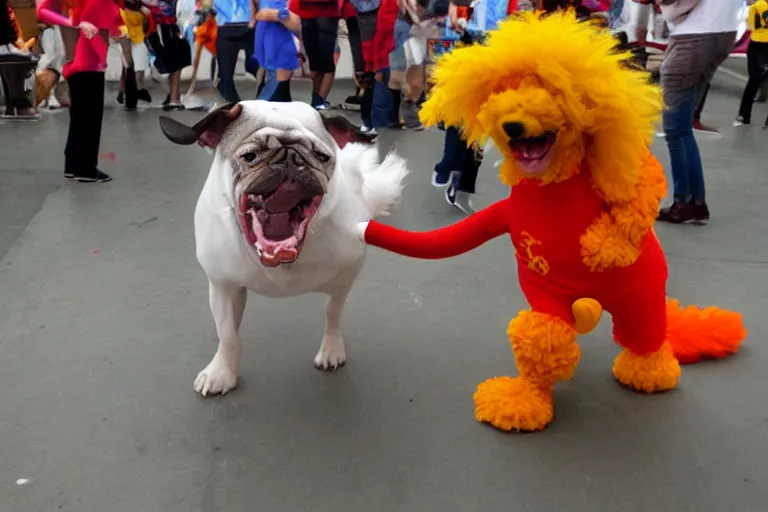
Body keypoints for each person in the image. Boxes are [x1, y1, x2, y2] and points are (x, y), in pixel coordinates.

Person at [656, 0, 742, 225]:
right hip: (723, 32)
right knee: (682, 128)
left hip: (693, 35)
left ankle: (685, 202)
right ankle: (695, 203)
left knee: (676, 129)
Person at [37, 0, 121, 183]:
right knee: (89, 115)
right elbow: (42, 11)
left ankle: (74, 164)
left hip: (86, 59)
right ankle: (85, 168)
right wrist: (76, 23)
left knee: (81, 115)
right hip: (85, 59)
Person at [289, 0, 341, 110]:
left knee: (317, 62)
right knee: (325, 62)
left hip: (307, 11)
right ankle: (318, 100)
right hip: (326, 12)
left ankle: (317, 99)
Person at [146, 0, 191, 110]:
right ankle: (174, 98)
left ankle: (173, 96)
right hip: (160, 26)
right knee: (174, 62)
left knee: (177, 59)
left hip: (168, 25)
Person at [253, 0, 301, 101]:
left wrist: (277, 14)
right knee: (268, 100)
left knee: (273, 100)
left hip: (280, 50)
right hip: (267, 47)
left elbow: (297, 23)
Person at [213, 0, 259, 103]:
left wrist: (254, 14)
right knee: (225, 75)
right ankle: (233, 103)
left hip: (248, 25)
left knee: (255, 65)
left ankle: (264, 97)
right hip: (225, 26)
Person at [734, 0, 768, 127]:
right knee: (755, 80)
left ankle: (744, 115)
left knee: (754, 80)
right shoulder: (757, 5)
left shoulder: (756, 5)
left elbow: (750, 26)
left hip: (758, 44)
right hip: (759, 45)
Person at [117, 0, 152, 107]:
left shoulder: (144, 8)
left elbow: (149, 25)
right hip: (125, 37)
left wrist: (148, 14)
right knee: (128, 67)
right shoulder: (120, 7)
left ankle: (134, 92)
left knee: (138, 71)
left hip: (140, 38)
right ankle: (127, 94)